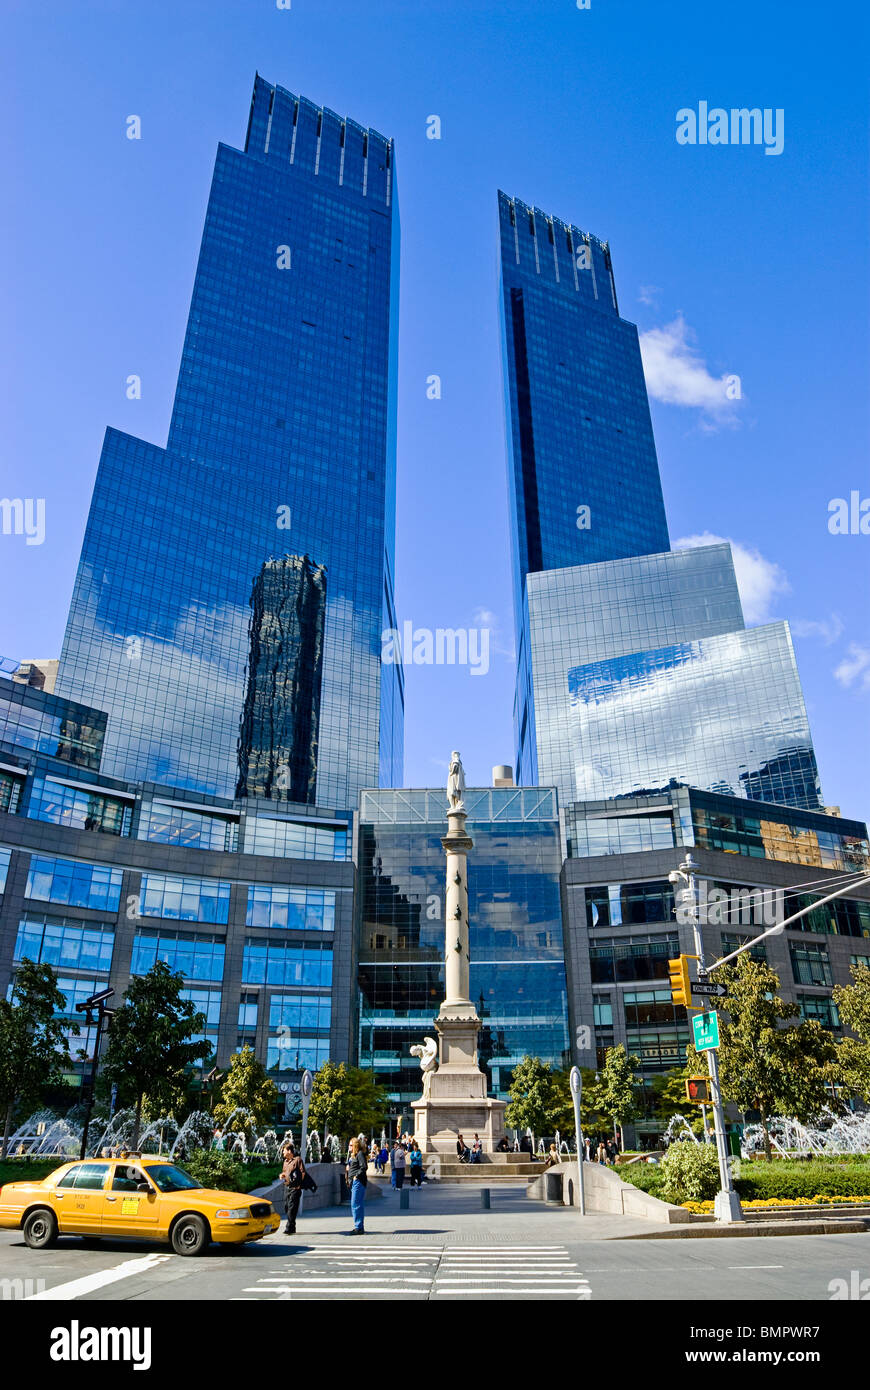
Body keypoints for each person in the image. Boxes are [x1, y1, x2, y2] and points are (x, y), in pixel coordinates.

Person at [280, 1140, 307, 1235]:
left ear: (289, 1151)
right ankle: (292, 1226)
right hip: (287, 1187)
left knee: (292, 1208)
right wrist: (282, 1175)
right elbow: (285, 1172)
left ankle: (289, 1227)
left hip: (295, 1188)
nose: (283, 1152)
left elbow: (303, 1173)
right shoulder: (285, 1162)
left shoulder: (298, 1160)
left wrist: (299, 1185)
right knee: (287, 1207)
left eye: (284, 1150)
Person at [346, 1137, 368, 1234]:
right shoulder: (353, 1155)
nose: (349, 1147)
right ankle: (359, 1227)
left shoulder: (359, 1154)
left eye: (351, 1145)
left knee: (355, 1204)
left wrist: (356, 1176)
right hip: (354, 1182)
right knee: (357, 1204)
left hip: (358, 1182)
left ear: (355, 1145)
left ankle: (358, 1227)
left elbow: (364, 1167)